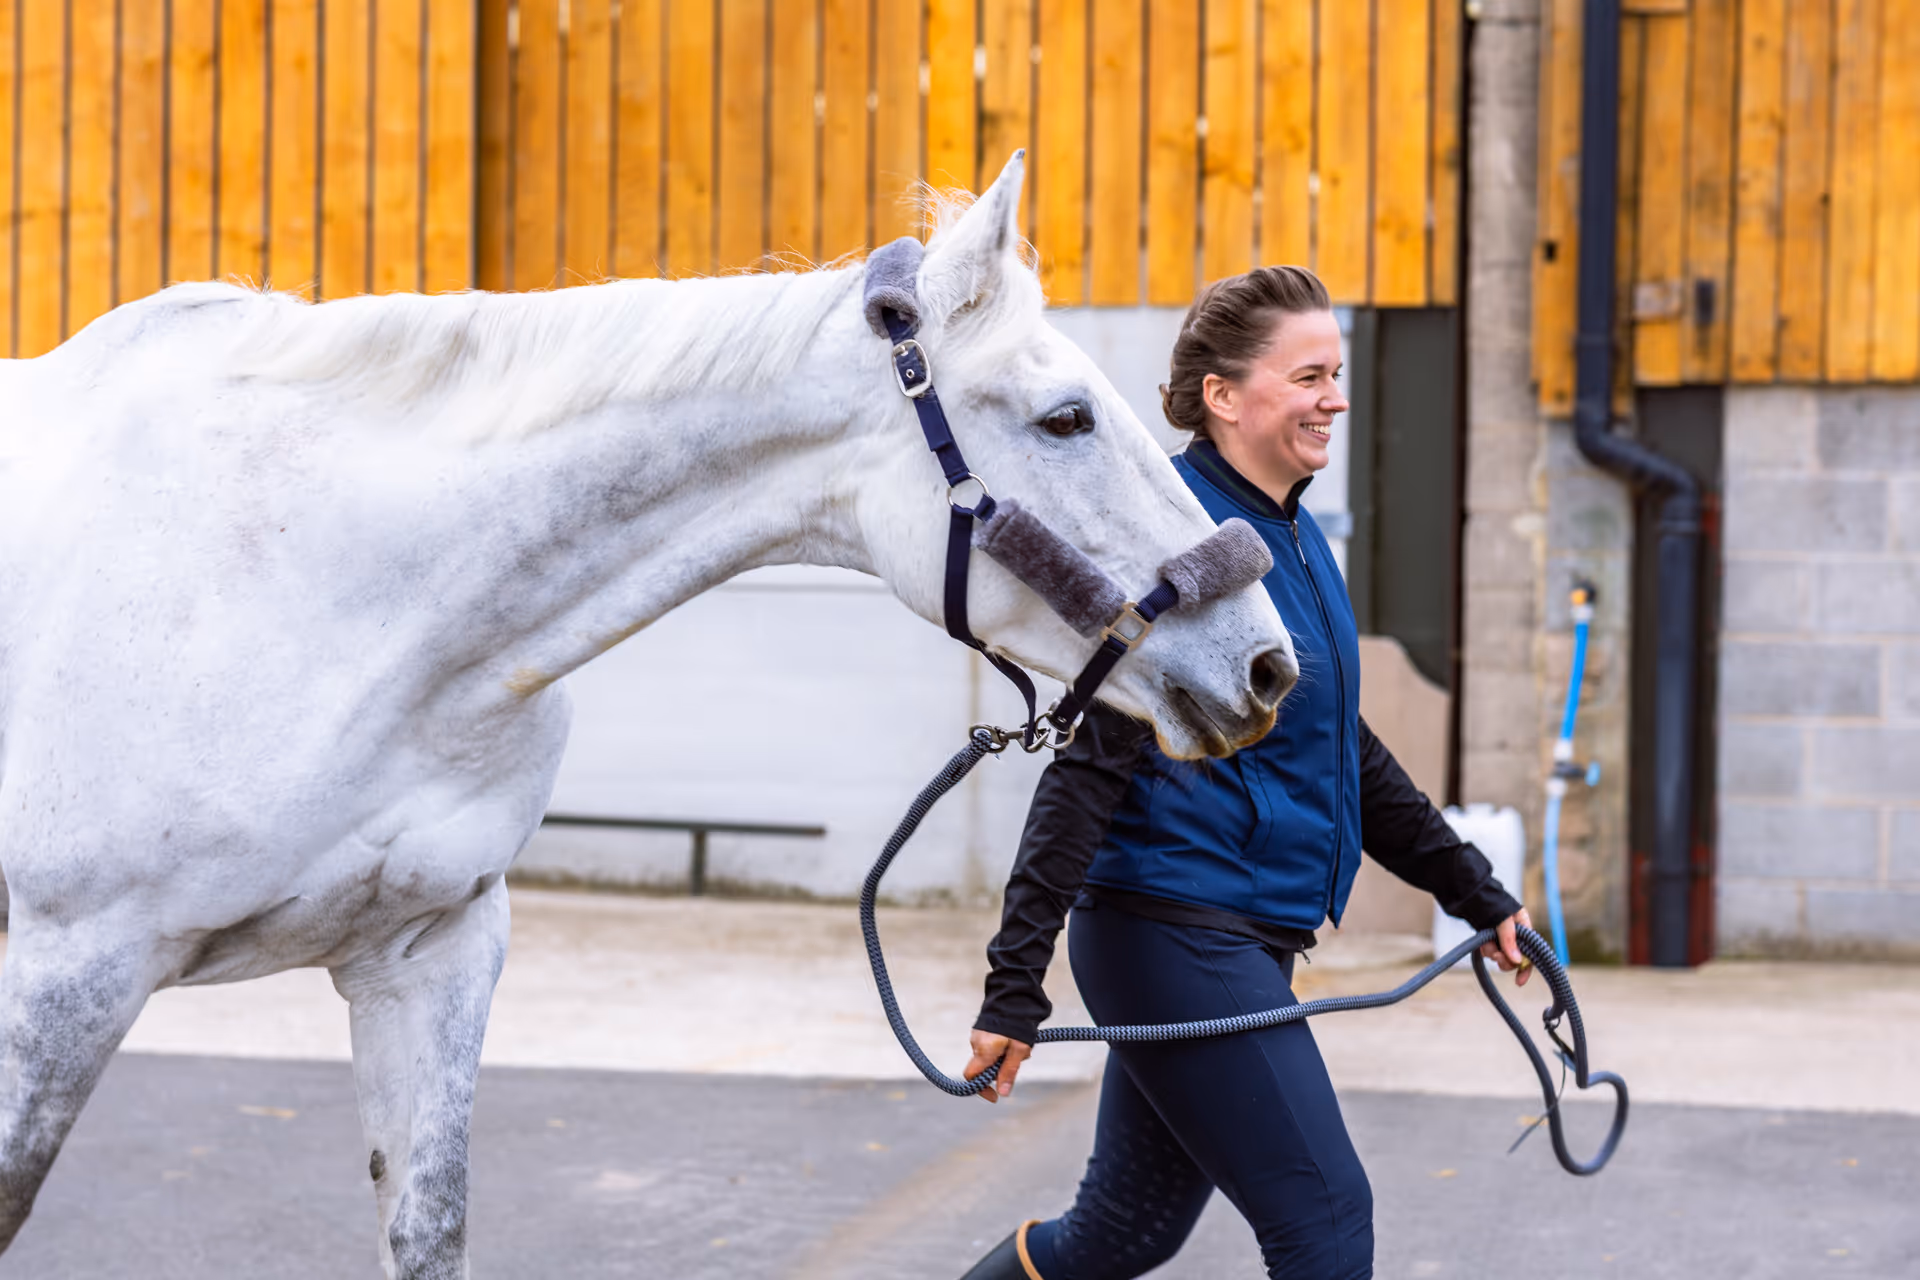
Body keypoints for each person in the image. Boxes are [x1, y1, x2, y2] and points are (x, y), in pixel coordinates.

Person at [956, 266, 1532, 1280]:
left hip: (1239, 934)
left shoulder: (1299, 537)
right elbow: (1084, 776)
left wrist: (1477, 892)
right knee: (1325, 1215)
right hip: (1171, 929)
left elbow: (1341, 747)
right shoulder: (1173, 541)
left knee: (1122, 1230)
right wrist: (1015, 990)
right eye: (1309, 374)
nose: (1336, 397)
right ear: (1223, 394)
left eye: (1338, 372)